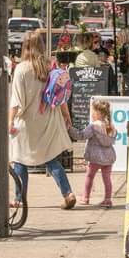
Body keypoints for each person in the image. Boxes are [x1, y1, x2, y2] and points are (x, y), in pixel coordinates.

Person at [9, 30, 77, 209]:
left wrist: (10, 122)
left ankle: (19, 198)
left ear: (25, 46)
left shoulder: (21, 69)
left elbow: (16, 101)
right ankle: (68, 192)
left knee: (19, 159)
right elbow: (59, 94)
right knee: (51, 158)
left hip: (27, 122)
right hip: (48, 120)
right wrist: (66, 116)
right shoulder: (50, 66)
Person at [69, 99, 117, 207]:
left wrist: (70, 129)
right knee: (107, 179)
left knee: (89, 177)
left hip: (95, 157)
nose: (91, 113)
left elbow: (81, 135)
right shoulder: (111, 127)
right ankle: (108, 200)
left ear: (97, 113)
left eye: (93, 111)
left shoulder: (93, 126)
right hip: (108, 157)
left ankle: (85, 198)